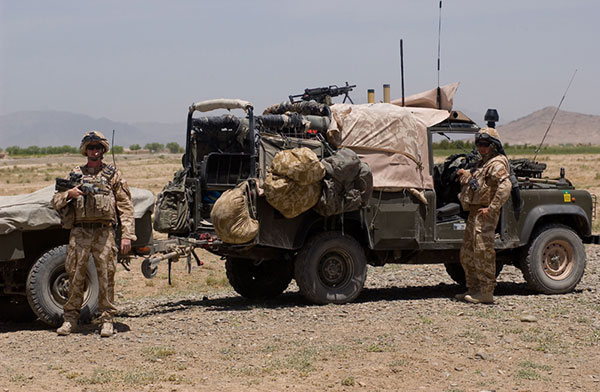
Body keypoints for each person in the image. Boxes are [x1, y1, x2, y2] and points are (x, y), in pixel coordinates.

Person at [51, 131, 136, 336]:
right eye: (90, 147)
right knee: (75, 275)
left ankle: (107, 320)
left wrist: (127, 235)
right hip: (80, 232)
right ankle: (70, 319)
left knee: (106, 275)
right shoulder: (74, 174)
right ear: (85, 150)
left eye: (97, 147)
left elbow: (126, 207)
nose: (94, 151)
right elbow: (55, 200)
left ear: (103, 150)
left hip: (104, 232)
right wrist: (68, 194)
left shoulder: (112, 175)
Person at [455, 127, 511, 304]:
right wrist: (465, 175)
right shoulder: (483, 162)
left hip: (485, 213)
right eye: (479, 144)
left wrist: (492, 208)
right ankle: (473, 289)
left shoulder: (497, 164)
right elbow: (476, 180)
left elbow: (505, 186)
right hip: (474, 212)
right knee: (467, 252)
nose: (482, 147)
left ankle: (486, 292)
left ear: (493, 145)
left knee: (483, 251)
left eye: (485, 144)